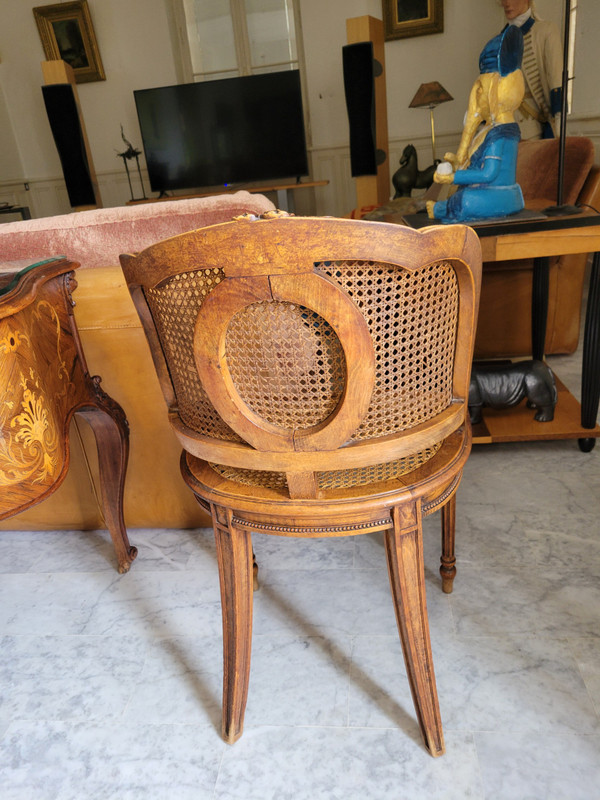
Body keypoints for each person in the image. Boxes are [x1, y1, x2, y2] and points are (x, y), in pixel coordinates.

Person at [427, 25, 525, 224]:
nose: (475, 99)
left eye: (480, 92)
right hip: (493, 192)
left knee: (465, 199)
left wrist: (453, 177)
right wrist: (458, 162)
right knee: (461, 197)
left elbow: (488, 173)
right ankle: (440, 208)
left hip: (499, 193)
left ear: (498, 91)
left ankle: (440, 209)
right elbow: (477, 163)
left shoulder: (502, 134)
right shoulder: (491, 128)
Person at [500, 0, 563, 139]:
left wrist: (558, 127)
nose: (506, 3)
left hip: (534, 127)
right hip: (503, 126)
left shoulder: (546, 31)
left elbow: (556, 82)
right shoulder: (498, 41)